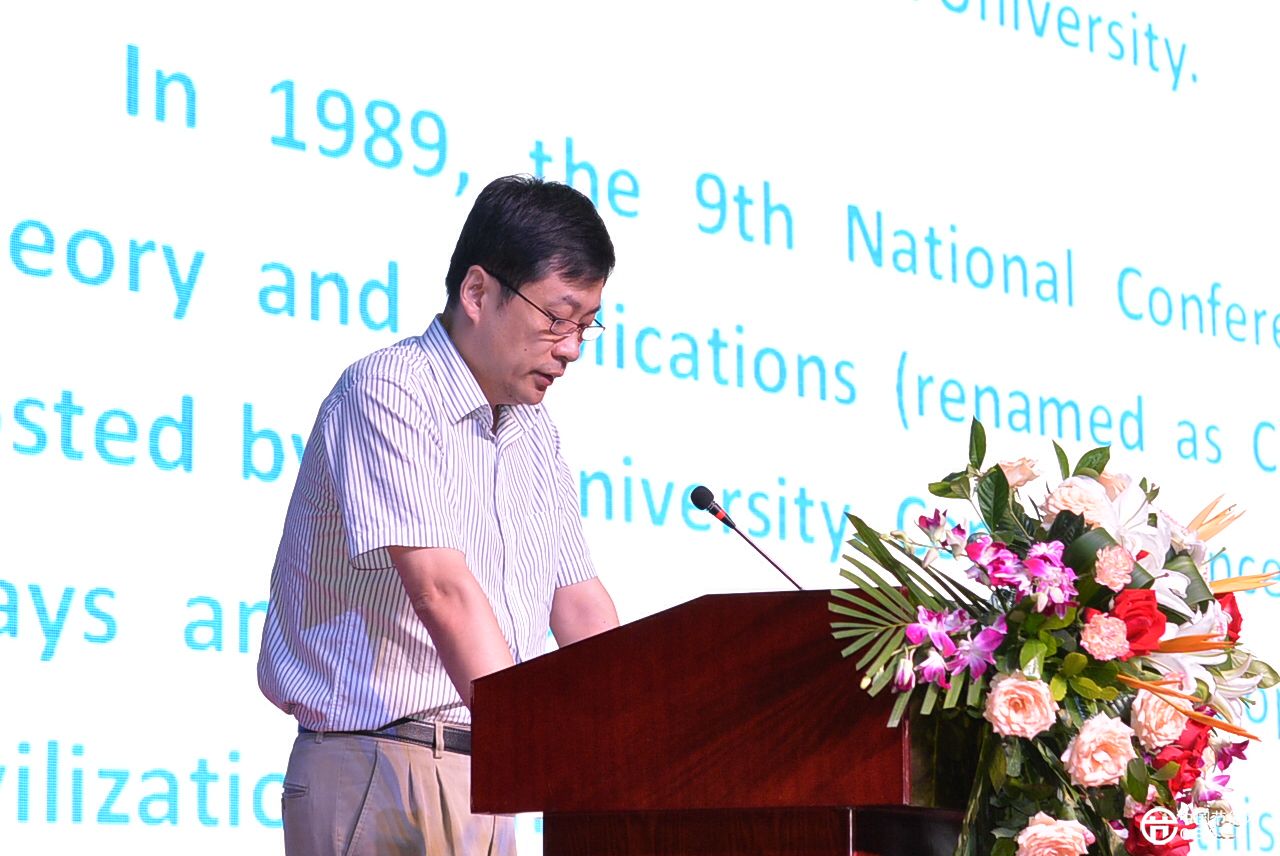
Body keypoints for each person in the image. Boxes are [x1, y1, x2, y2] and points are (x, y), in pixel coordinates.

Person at [257, 174, 621, 855]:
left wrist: (641, 735)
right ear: (478, 292)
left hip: (489, 772)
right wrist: (531, 743)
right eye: (557, 317)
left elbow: (579, 604)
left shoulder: (534, 432)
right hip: (380, 766)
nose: (572, 348)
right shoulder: (390, 390)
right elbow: (442, 590)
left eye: (585, 326)